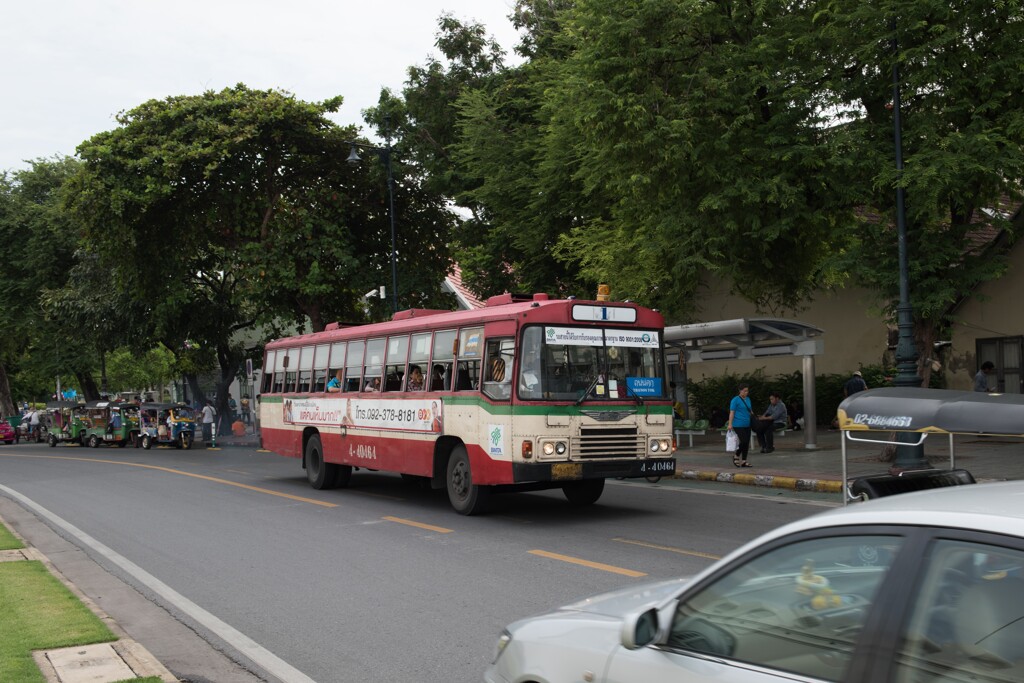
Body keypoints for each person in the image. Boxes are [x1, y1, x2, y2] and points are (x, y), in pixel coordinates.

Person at [726, 383, 754, 467]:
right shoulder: (735, 400)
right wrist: (730, 424)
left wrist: (754, 417)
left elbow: (750, 410)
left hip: (747, 423)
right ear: (740, 391)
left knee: (747, 442)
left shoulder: (748, 399)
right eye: (744, 391)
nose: (746, 392)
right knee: (744, 441)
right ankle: (736, 455)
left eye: (747, 391)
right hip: (738, 424)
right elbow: (732, 412)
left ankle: (744, 461)